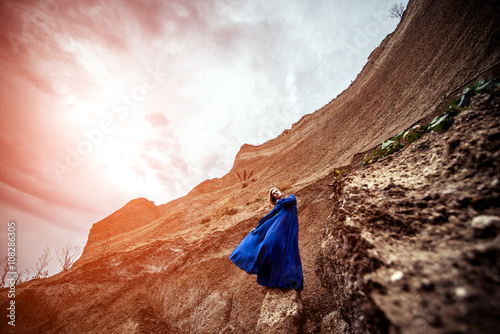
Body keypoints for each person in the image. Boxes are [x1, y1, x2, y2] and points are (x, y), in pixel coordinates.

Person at [229, 187, 303, 291]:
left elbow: (289, 201)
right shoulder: (278, 205)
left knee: (290, 251)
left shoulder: (290, 197)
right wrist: (258, 227)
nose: (276, 193)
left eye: (276, 191)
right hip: (278, 228)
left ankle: (290, 280)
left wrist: (279, 201)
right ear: (273, 198)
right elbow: (268, 216)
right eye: (273, 194)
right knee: (268, 245)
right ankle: (270, 276)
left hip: (290, 227)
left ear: (280, 191)